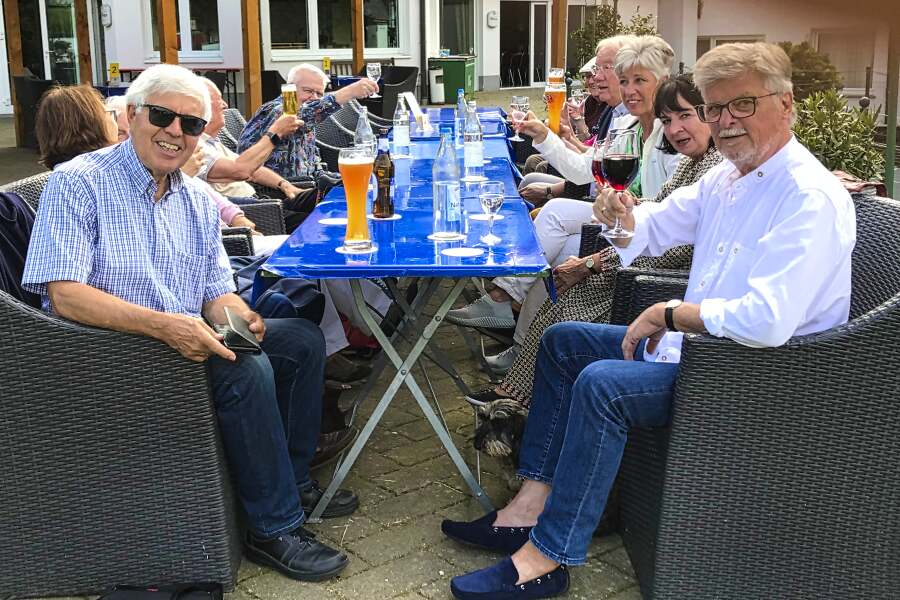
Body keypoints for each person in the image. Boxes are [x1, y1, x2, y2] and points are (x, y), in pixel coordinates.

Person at [441, 42, 856, 600]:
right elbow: (656, 226)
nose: (725, 122)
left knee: (603, 383)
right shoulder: (728, 178)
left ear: (786, 104)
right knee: (565, 342)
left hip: (760, 374)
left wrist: (669, 312)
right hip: (703, 352)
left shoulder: (808, 196)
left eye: (742, 105)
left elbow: (768, 319)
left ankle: (549, 556)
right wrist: (620, 215)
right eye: (714, 108)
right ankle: (528, 504)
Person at [22, 64, 359, 583]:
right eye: (163, 116)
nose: (176, 132)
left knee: (299, 341)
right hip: (106, 349)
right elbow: (64, 295)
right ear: (132, 116)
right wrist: (164, 327)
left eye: (192, 124)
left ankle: (291, 484)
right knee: (246, 372)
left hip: (181, 337)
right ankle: (273, 527)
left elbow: (212, 294)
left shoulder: (195, 197)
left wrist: (239, 317)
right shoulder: (78, 183)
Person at [468, 74, 722, 405]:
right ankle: (519, 394)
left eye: (685, 116)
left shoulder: (712, 166)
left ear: (709, 114)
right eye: (668, 120)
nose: (675, 129)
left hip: (660, 282)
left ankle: (518, 395)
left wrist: (592, 262)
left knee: (567, 300)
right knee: (561, 294)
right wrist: (630, 207)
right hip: (640, 261)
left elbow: (676, 242)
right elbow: (659, 211)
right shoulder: (690, 159)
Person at [447, 35, 682, 370]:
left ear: (662, 82)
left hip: (640, 234)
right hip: (617, 220)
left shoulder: (671, 135)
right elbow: (586, 170)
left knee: (558, 222)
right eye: (625, 80)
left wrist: (621, 205)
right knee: (562, 248)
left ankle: (507, 307)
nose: (630, 90)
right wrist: (544, 136)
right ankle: (522, 343)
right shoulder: (627, 126)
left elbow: (667, 210)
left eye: (640, 81)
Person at [518, 35, 633, 206]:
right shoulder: (612, 112)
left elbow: (589, 173)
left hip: (606, 203)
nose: (595, 78)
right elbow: (590, 163)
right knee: (533, 181)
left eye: (607, 67)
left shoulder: (634, 118)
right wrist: (561, 136)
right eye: (595, 70)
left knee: (550, 212)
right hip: (599, 197)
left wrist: (549, 191)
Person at [238, 64, 377, 183]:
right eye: (308, 91)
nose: (314, 98)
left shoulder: (309, 115)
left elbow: (312, 163)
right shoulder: (277, 110)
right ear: (290, 89)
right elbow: (297, 116)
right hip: (274, 196)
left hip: (306, 188)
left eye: (319, 93)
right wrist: (349, 92)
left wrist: (336, 179)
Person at [196, 78, 310, 206]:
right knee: (319, 209)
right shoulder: (196, 147)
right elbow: (240, 170)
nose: (225, 105)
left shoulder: (211, 141)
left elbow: (253, 170)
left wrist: (284, 185)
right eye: (218, 99)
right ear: (200, 107)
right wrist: (276, 132)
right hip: (251, 210)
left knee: (320, 196)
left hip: (260, 201)